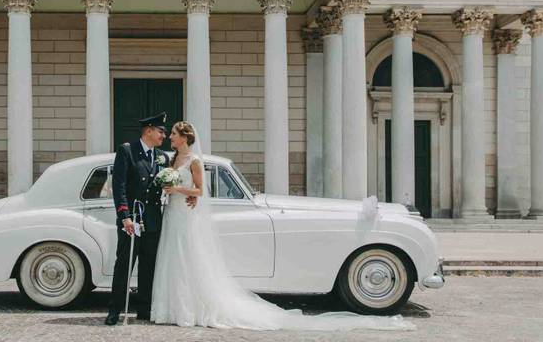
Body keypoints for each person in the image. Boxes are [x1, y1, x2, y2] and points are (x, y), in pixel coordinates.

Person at [150, 121, 414, 332]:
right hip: (175, 214)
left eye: (173, 133)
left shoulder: (194, 161)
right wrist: (174, 189)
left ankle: (188, 308)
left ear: (183, 137)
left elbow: (199, 190)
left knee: (190, 259)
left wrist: (177, 188)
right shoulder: (172, 160)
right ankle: (173, 307)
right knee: (175, 259)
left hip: (185, 213)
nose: (169, 136)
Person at [106, 112, 179, 325]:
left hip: (153, 221)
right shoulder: (127, 151)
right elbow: (118, 187)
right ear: (148, 131)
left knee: (149, 267)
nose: (163, 136)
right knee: (124, 266)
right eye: (160, 131)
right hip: (132, 220)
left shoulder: (162, 157)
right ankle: (114, 310)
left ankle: (144, 309)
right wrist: (125, 217)